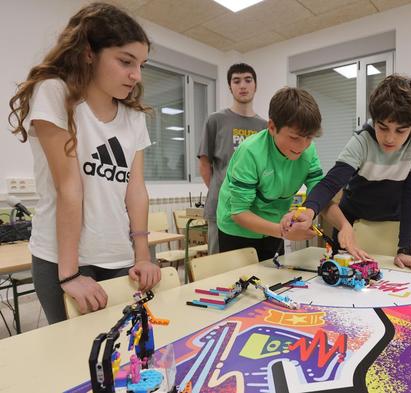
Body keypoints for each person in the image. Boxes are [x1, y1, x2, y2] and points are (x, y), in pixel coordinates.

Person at [8, 2, 161, 324]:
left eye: (141, 65)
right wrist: (69, 274)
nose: (135, 75)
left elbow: (136, 192)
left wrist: (143, 257)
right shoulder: (56, 93)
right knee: (75, 360)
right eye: (125, 61)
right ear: (89, 52)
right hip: (61, 259)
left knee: (125, 350)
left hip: (118, 254)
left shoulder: (134, 117)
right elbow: (69, 188)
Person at [282, 75, 411, 272]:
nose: (389, 138)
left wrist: (405, 247)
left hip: (391, 222)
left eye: (400, 131)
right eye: (382, 127)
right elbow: (330, 183)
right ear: (374, 120)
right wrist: (309, 211)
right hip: (352, 219)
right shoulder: (362, 139)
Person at [216, 87, 323, 261]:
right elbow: (239, 212)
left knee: (275, 280)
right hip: (237, 229)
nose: (303, 146)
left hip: (275, 223)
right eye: (295, 138)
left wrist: (309, 212)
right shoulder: (250, 152)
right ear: (272, 127)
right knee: (240, 284)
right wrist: (284, 231)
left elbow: (318, 187)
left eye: (309, 137)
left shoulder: (308, 149)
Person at [198, 63, 267, 255]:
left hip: (253, 210)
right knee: (219, 266)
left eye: (248, 80)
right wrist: (222, 194)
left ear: (256, 85)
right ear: (230, 87)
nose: (242, 85)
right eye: (236, 81)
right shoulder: (216, 120)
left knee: (252, 264)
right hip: (221, 208)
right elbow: (204, 164)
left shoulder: (264, 126)